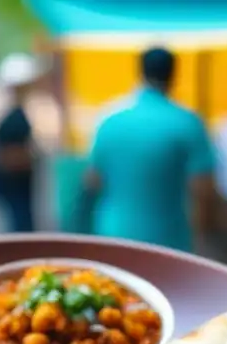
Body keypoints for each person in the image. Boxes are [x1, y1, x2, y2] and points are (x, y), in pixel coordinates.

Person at [83, 47, 217, 252]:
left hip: (113, 236)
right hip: (168, 243)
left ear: (140, 72)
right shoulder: (187, 122)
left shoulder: (109, 120)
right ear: (174, 75)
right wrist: (201, 237)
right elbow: (203, 189)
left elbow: (92, 180)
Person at [0, 54, 42, 233]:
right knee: (21, 227)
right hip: (16, 184)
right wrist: (33, 157)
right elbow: (10, 156)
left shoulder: (11, 115)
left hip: (15, 185)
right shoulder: (15, 118)